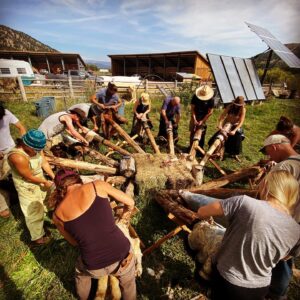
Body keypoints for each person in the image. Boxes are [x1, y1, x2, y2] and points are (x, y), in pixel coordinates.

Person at [196, 170, 300, 300]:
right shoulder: (296, 230)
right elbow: (284, 257)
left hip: (227, 280)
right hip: (260, 288)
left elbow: (202, 211)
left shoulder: (244, 203)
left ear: (266, 184)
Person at [52, 169, 136, 300]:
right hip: (122, 256)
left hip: (94, 266)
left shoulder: (57, 215)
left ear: (59, 188)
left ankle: (83, 297)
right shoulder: (97, 186)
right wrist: (124, 217)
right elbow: (130, 202)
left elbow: (74, 242)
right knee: (129, 283)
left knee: (81, 273)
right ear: (78, 179)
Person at [260, 134, 300, 300]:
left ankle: (274, 293)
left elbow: (268, 197)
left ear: (274, 146)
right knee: (287, 257)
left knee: (279, 259)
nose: (268, 156)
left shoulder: (284, 168)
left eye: (268, 151)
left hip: (285, 223)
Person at [8, 130, 55, 245]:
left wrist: (54, 177)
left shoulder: (36, 148)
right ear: (25, 144)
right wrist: (44, 181)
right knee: (33, 209)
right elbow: (28, 176)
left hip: (39, 178)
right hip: (26, 185)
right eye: (35, 150)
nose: (38, 152)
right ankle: (37, 238)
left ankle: (44, 216)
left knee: (45, 199)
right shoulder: (17, 157)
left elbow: (43, 162)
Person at [0, 103, 26, 218]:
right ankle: (3, 206)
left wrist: (23, 144)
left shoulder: (5, 113)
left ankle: (20, 198)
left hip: (10, 149)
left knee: (15, 176)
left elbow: (21, 127)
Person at [209, 96, 246, 161]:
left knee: (237, 137)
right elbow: (222, 116)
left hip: (235, 125)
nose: (237, 106)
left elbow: (241, 122)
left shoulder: (243, 109)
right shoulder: (230, 107)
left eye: (238, 105)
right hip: (227, 123)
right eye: (236, 104)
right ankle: (215, 150)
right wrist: (220, 125)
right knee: (218, 136)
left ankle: (234, 153)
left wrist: (234, 130)